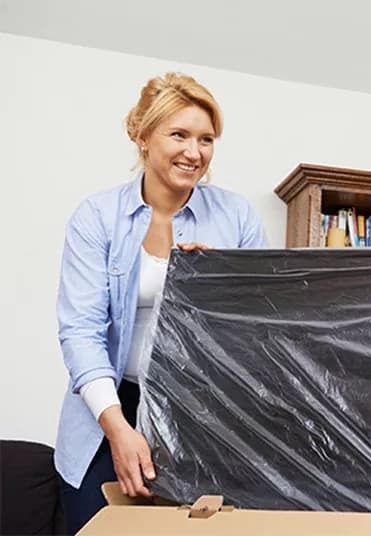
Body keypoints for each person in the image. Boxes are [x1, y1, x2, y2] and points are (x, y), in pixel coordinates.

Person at [54, 72, 268, 533]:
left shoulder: (236, 217)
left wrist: (219, 283)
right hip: (109, 409)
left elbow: (260, 326)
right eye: (179, 135)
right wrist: (118, 429)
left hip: (202, 416)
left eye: (207, 138)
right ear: (142, 136)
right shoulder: (97, 218)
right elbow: (81, 332)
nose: (195, 152)